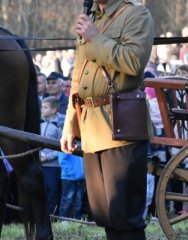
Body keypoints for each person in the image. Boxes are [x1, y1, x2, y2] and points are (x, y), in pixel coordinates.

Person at [60, 0, 154, 239]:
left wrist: (95, 37)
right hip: (91, 128)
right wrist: (70, 125)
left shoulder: (136, 14)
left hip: (121, 127)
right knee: (105, 216)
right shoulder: (91, 16)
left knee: (125, 218)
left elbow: (134, 61)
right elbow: (78, 75)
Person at [40, 96, 63, 215]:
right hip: (39, 163)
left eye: (45, 107)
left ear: (54, 110)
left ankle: (52, 215)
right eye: (42, 107)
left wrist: (47, 157)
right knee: (41, 190)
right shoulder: (40, 124)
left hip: (53, 166)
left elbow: (61, 147)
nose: (42, 109)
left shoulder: (59, 126)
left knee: (52, 190)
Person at [58, 151, 85, 220]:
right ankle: (63, 221)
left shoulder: (81, 144)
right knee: (67, 200)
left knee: (78, 202)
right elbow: (62, 160)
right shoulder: (67, 142)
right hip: (68, 178)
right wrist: (71, 173)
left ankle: (76, 220)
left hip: (81, 178)